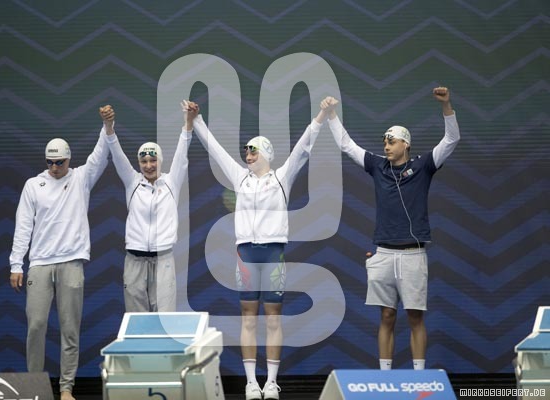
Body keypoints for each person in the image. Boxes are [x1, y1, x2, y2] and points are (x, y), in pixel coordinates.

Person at [187, 99, 333, 400]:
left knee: (274, 317)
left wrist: (321, 114)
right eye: (246, 151)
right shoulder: (240, 178)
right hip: (246, 255)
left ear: (266, 153)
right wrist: (197, 120)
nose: (248, 155)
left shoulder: (281, 177)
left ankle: (272, 383)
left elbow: (304, 145)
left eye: (253, 150)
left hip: (273, 254)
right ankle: (252, 383)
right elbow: (215, 149)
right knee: (248, 317)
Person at [324, 87, 460, 370]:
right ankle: (385, 377)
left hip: (413, 254)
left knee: (415, 317)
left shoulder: (424, 166)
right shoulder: (377, 166)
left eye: (392, 141)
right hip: (384, 253)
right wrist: (332, 114)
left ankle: (419, 377)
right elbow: (346, 145)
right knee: (386, 316)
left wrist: (446, 106)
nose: (386, 146)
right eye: (384, 141)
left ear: (405, 144)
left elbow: (451, 139)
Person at [9, 106, 114, 400]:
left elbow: (100, 153)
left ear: (69, 159)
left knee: (70, 330)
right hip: (40, 264)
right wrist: (16, 264)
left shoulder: (81, 178)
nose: (55, 167)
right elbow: (23, 226)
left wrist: (108, 125)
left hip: (71, 263)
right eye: (50, 162)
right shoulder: (34, 185)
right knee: (36, 327)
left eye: (60, 162)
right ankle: (34, 387)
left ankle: (67, 387)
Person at [103, 102, 193, 312]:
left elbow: (182, 152)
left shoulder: (171, 182)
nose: (149, 165)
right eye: (143, 161)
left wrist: (188, 122)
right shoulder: (132, 182)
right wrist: (108, 126)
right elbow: (117, 153)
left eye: (153, 160)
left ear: (160, 161)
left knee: (165, 318)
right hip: (134, 260)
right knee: (137, 320)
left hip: (164, 259)